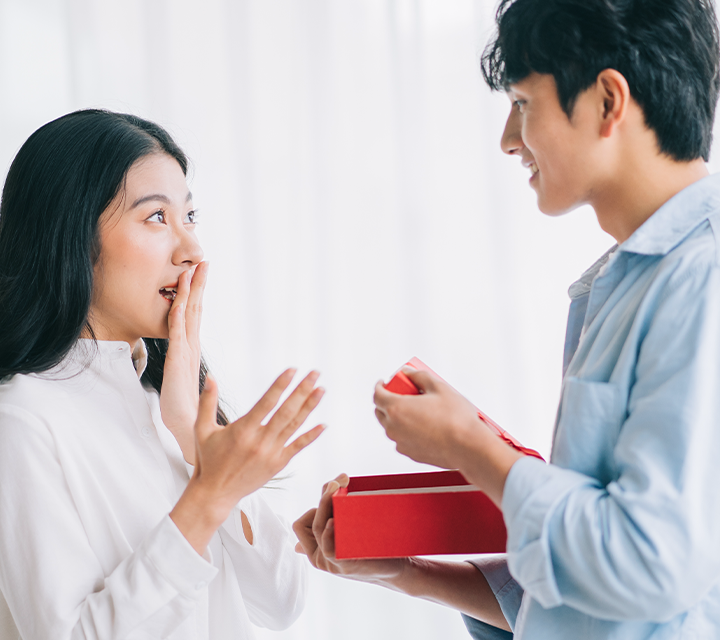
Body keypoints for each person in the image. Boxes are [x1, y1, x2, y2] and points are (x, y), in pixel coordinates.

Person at [293, 0, 720, 638]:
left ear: (607, 101)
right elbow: (589, 601)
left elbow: (648, 564)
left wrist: (472, 449)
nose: (508, 138)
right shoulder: (621, 284)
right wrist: (404, 571)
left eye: (523, 103)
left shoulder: (700, 280)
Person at [0, 109, 325, 639]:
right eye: (156, 218)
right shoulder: (21, 420)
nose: (192, 250)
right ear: (72, 236)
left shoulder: (169, 406)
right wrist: (207, 497)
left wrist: (195, 439)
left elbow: (282, 603)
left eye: (190, 217)